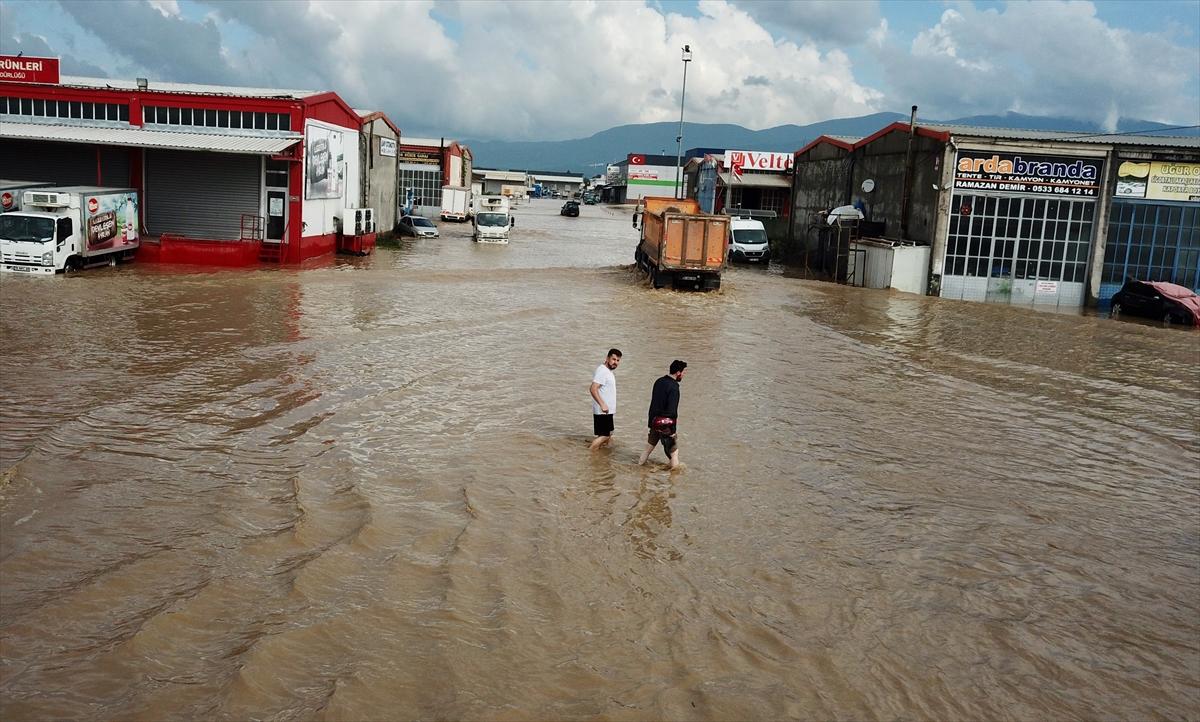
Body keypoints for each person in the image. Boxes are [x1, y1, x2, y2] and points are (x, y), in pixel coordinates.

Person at [638, 360, 687, 469]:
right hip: (666, 425)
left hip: (654, 421)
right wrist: (673, 431)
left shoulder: (658, 381)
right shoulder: (674, 387)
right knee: (674, 453)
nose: (684, 375)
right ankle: (674, 477)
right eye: (684, 372)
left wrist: (651, 423)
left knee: (648, 449)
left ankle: (639, 467)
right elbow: (672, 411)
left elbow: (654, 403)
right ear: (678, 372)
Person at [589, 348, 622, 450]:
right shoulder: (603, 371)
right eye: (613, 359)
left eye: (618, 360)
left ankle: (600, 457)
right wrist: (602, 404)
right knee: (605, 435)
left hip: (607, 411)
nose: (615, 362)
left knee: (608, 436)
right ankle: (589, 453)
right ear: (607, 358)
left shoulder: (608, 371)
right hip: (602, 411)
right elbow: (593, 388)